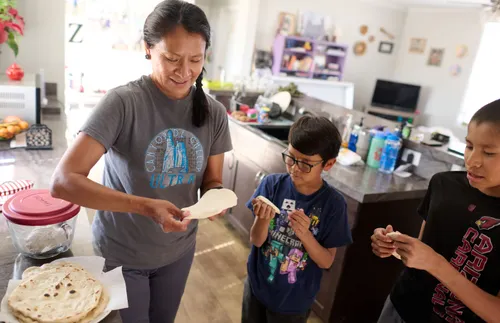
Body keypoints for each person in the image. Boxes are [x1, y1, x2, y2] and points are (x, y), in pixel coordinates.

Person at [50, 1, 232, 322]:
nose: (184, 71)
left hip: (179, 250)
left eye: (196, 60)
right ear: (147, 48)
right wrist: (146, 206)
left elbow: (212, 181)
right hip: (123, 253)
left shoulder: (214, 112)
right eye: (172, 59)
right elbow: (64, 181)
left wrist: (217, 198)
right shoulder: (123, 103)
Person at [371, 99, 500, 323]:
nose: (472, 161)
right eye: (469, 146)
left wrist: (435, 263)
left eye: (489, 153)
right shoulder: (444, 184)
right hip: (401, 307)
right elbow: (423, 251)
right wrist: (396, 246)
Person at [241, 115, 353, 323]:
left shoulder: (333, 204)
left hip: (294, 300)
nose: (294, 168)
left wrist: (305, 235)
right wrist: (263, 219)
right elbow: (256, 240)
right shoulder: (271, 185)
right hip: (257, 287)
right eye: (291, 157)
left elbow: (326, 260)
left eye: (306, 164)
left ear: (328, 164)